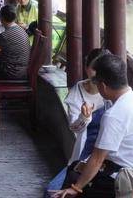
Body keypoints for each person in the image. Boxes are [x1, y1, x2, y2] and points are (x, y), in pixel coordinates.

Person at [53, 54, 133, 198]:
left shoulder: (114, 115)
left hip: (121, 179)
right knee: (75, 168)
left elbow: (97, 159)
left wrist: (76, 188)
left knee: (70, 181)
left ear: (103, 86)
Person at [46, 48, 111, 194]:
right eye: (94, 68)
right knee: (51, 190)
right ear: (87, 68)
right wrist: (84, 117)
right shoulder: (78, 92)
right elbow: (74, 128)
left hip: (111, 157)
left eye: (102, 68)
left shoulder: (113, 91)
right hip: (85, 154)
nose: (97, 73)